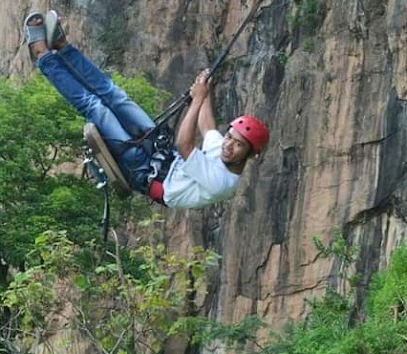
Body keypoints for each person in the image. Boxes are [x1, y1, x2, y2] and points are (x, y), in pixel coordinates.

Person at [24, 11, 270, 209]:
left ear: (251, 155)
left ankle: (42, 56)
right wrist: (205, 91)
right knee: (115, 95)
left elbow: (185, 145)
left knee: (97, 108)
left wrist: (197, 100)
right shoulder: (224, 150)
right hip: (161, 151)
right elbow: (207, 128)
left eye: (238, 145)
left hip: (143, 171)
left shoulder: (222, 182)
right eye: (230, 137)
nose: (228, 145)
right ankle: (63, 47)